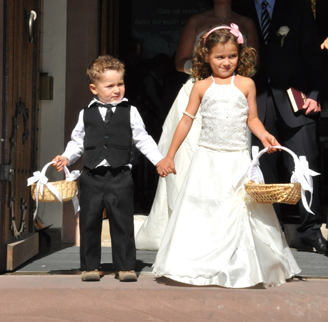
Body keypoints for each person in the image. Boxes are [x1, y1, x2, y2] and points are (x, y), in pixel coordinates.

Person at [153, 24, 301, 288]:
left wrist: (265, 135)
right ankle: (199, 263)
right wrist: (170, 155)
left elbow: (252, 118)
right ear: (206, 57)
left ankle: (240, 265)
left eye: (232, 56)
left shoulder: (246, 84)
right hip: (207, 160)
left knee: (241, 210)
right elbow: (186, 121)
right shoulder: (200, 86)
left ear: (240, 55)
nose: (226, 62)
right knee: (204, 209)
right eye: (219, 57)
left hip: (236, 159)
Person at [135, 0, 259, 250]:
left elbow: (253, 64)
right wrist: (204, 71)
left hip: (231, 99)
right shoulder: (196, 21)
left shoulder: (246, 23)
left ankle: (227, 231)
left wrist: (229, 78)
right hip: (198, 90)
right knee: (190, 160)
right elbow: (180, 61)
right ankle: (189, 228)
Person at [52, 55, 163, 282]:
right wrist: (66, 157)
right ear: (94, 88)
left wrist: (159, 160)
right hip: (91, 175)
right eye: (110, 85)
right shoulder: (86, 114)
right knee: (89, 221)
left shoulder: (130, 111)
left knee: (122, 221)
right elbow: (77, 141)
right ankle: (90, 266)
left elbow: (143, 139)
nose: (116, 89)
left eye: (120, 84)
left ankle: (125, 267)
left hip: (121, 175)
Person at [232, 0, 327, 254]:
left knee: (304, 164)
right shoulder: (239, 7)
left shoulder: (297, 6)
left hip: (297, 98)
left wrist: (316, 94)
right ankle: (270, 233)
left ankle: (310, 231)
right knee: (262, 169)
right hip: (254, 101)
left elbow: (313, 53)